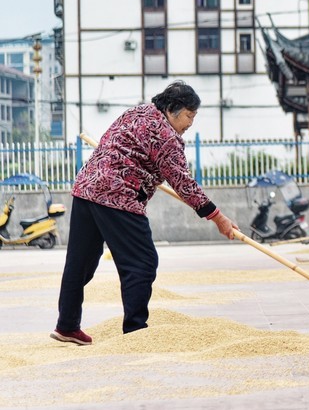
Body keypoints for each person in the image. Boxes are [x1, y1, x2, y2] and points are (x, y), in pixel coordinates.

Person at [53, 81, 239, 345]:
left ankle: (67, 325)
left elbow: (113, 145)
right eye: (189, 115)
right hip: (117, 195)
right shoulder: (166, 137)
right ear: (172, 109)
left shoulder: (137, 112)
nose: (190, 123)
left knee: (79, 263)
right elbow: (183, 183)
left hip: (87, 187)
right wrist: (218, 217)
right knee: (142, 262)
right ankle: (136, 331)